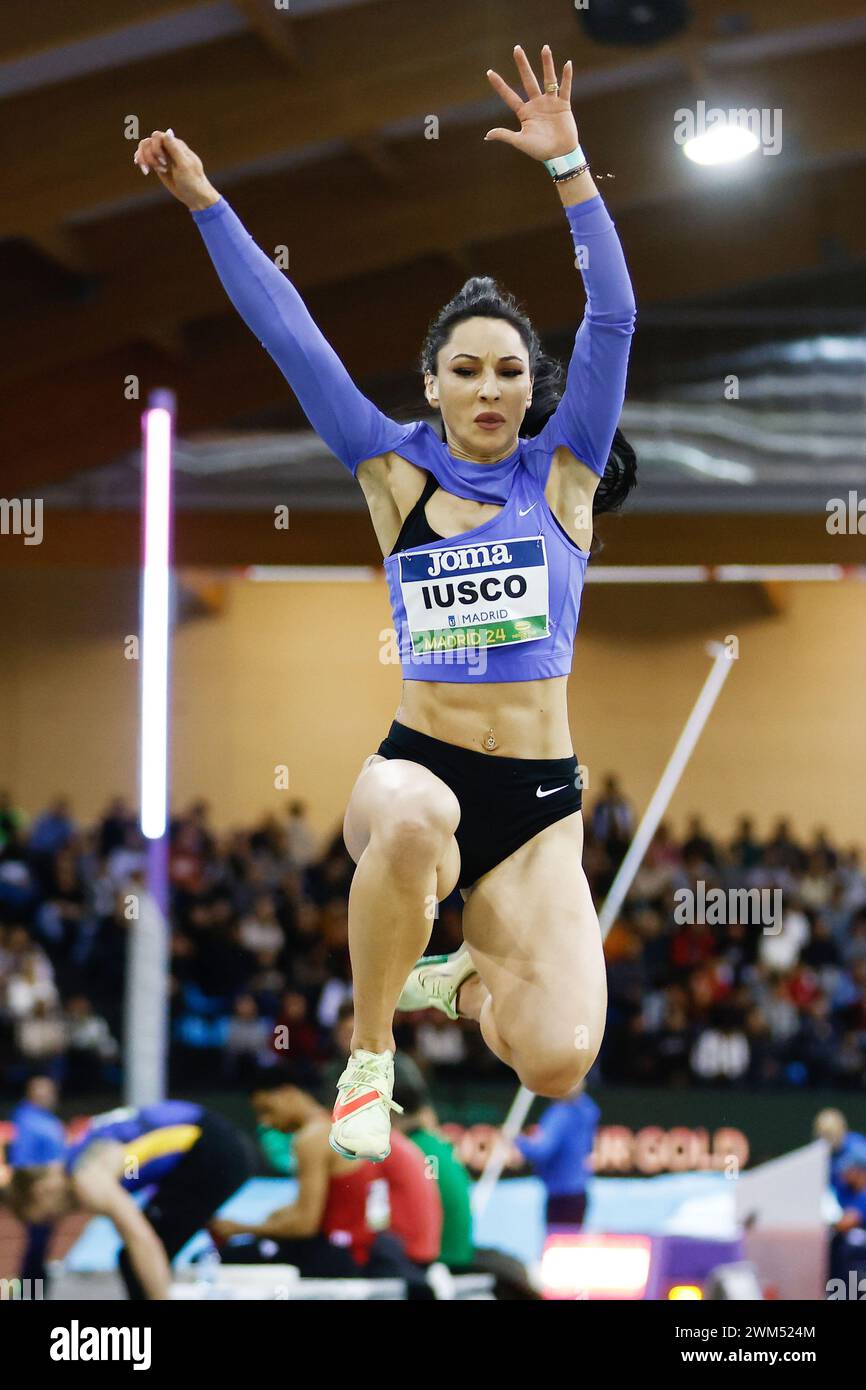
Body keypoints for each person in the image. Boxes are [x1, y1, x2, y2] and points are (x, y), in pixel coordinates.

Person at [133, 40, 636, 1162]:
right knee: (413, 819)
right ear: (431, 384)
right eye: (466, 369)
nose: (490, 388)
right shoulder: (389, 468)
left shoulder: (563, 474)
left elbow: (612, 320)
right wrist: (208, 202)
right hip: (416, 766)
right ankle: (368, 1057)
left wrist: (570, 170)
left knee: (556, 1059)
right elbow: (288, 332)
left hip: (538, 800)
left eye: (508, 370)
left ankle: (452, 981)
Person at [4, 1101, 253, 1300]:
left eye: (48, 1217)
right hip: (207, 1142)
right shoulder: (71, 1160)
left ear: (41, 1191)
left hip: (215, 1151)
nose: (56, 1219)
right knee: (144, 1250)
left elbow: (141, 1239)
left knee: (138, 1258)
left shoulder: (88, 1179)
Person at [217, 1078, 441, 1295]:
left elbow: (305, 1225)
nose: (265, 1122)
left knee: (231, 1256)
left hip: (355, 1255)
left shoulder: (313, 1137)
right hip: (394, 1252)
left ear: (289, 1092)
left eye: (266, 1110)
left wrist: (239, 1228)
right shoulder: (342, 1127)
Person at [5, 1075, 66, 1284]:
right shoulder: (29, 1121)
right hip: (38, 1193)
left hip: (48, 1192)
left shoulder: (44, 1120)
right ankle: (29, 1294)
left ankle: (31, 1292)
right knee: (35, 1250)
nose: (49, 1097)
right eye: (42, 1092)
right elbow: (22, 1164)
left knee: (38, 1250)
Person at [514, 1082, 600, 1228]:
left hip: (562, 1195)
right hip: (578, 1192)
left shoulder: (560, 1114)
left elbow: (541, 1150)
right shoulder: (586, 1109)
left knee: (559, 1246)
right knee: (570, 1245)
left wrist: (516, 1140)